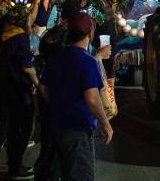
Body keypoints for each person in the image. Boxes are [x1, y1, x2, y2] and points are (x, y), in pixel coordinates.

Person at [39, 12, 113, 181]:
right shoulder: (87, 62)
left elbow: (43, 88)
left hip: (56, 127)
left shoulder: (56, 57)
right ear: (90, 34)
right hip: (77, 130)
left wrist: (59, 105)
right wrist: (106, 124)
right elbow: (92, 99)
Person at [0, 4, 38, 180]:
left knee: (11, 127)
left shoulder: (4, 35)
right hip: (18, 90)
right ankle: (15, 166)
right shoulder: (20, 38)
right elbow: (27, 67)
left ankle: (11, 164)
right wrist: (38, 83)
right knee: (24, 128)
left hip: (4, 87)